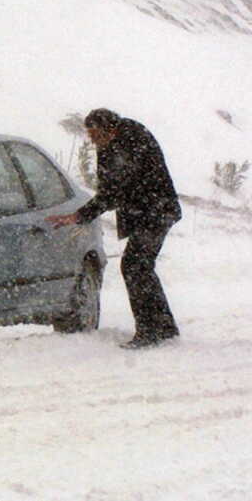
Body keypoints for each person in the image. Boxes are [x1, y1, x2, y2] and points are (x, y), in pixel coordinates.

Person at [46, 108, 181, 349]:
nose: (92, 140)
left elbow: (115, 190)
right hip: (146, 213)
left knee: (134, 265)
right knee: (139, 266)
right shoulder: (110, 144)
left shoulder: (132, 139)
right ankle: (163, 327)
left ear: (110, 128)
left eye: (95, 133)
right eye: (89, 135)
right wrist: (80, 216)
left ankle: (150, 331)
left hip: (157, 211)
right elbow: (108, 189)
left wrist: (80, 215)